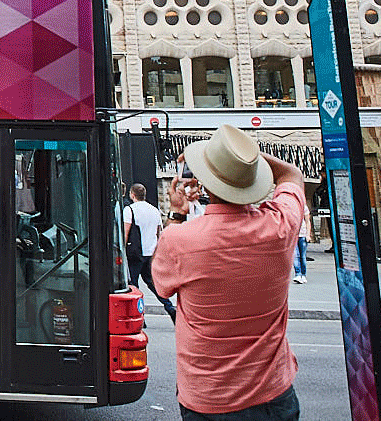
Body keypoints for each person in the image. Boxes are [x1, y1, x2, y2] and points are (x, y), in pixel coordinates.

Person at [153, 125, 305, 421]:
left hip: (207, 398)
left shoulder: (179, 240)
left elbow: (163, 288)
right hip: (272, 395)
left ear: (208, 186)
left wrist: (177, 214)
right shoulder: (280, 226)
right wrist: (244, 159)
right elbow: (291, 174)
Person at [124, 182, 175, 322]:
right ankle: (170, 307)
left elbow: (126, 233)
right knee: (153, 284)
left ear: (132, 195)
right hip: (151, 253)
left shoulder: (129, 210)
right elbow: (160, 233)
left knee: (133, 285)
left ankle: (139, 316)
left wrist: (122, 249)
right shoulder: (154, 210)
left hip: (135, 254)